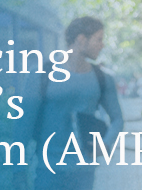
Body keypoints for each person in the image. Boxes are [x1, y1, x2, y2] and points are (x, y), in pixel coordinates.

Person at [13, 16, 124, 190]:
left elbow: (117, 119)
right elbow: (24, 126)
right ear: (81, 39)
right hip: (48, 170)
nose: (102, 45)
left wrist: (106, 143)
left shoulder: (103, 78)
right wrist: (18, 171)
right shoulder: (41, 74)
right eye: (99, 39)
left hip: (85, 171)